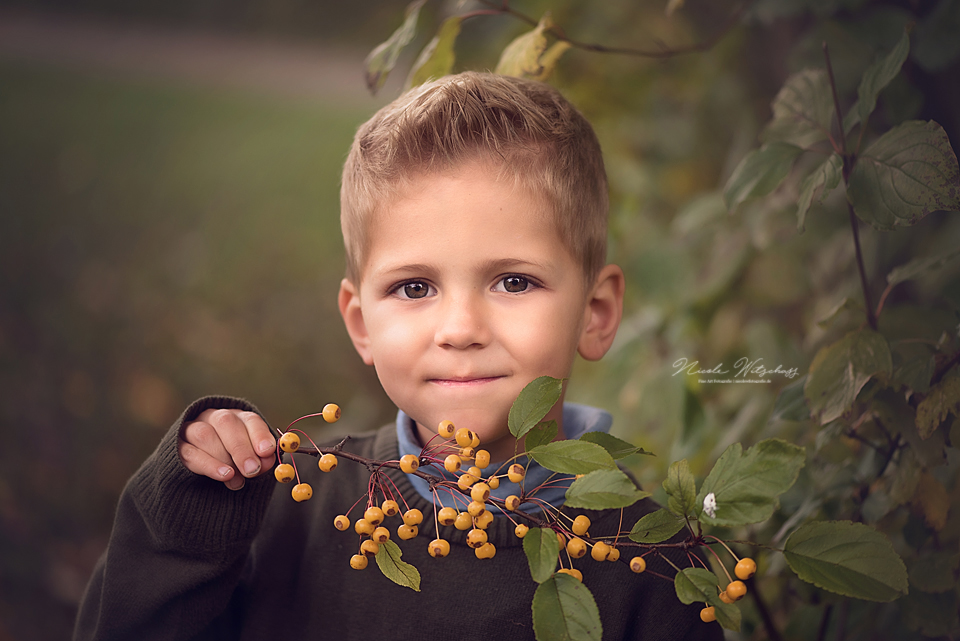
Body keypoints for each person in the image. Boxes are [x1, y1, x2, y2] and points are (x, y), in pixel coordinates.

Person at [74, 72, 722, 641]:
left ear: (596, 313)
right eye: (415, 287)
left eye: (514, 281)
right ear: (361, 323)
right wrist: (189, 519)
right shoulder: (296, 511)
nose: (461, 328)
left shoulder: (644, 556)